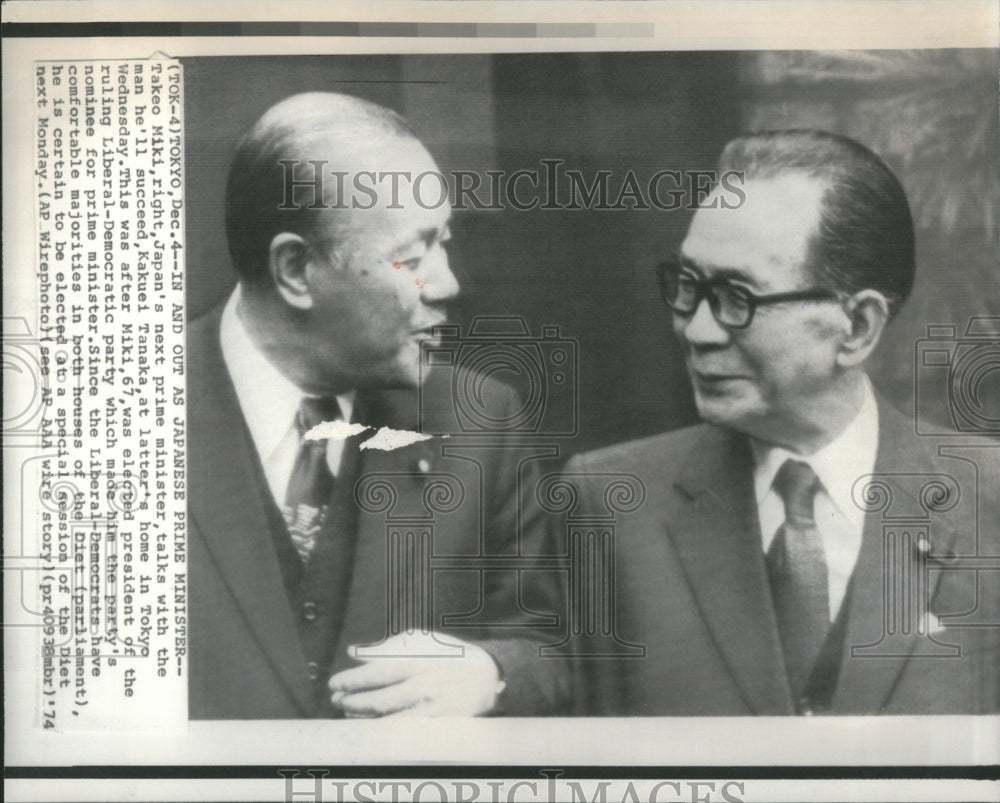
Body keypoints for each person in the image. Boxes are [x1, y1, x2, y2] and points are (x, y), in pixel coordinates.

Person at [567, 130, 1000, 715]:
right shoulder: (606, 508)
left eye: (735, 297)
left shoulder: (987, 502)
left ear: (857, 328)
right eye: (689, 286)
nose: (696, 330)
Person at [188, 92, 567, 718]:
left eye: (444, 243)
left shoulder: (481, 423)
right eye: (412, 258)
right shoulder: (115, 418)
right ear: (295, 270)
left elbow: (555, 653)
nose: (448, 284)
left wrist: (492, 674)